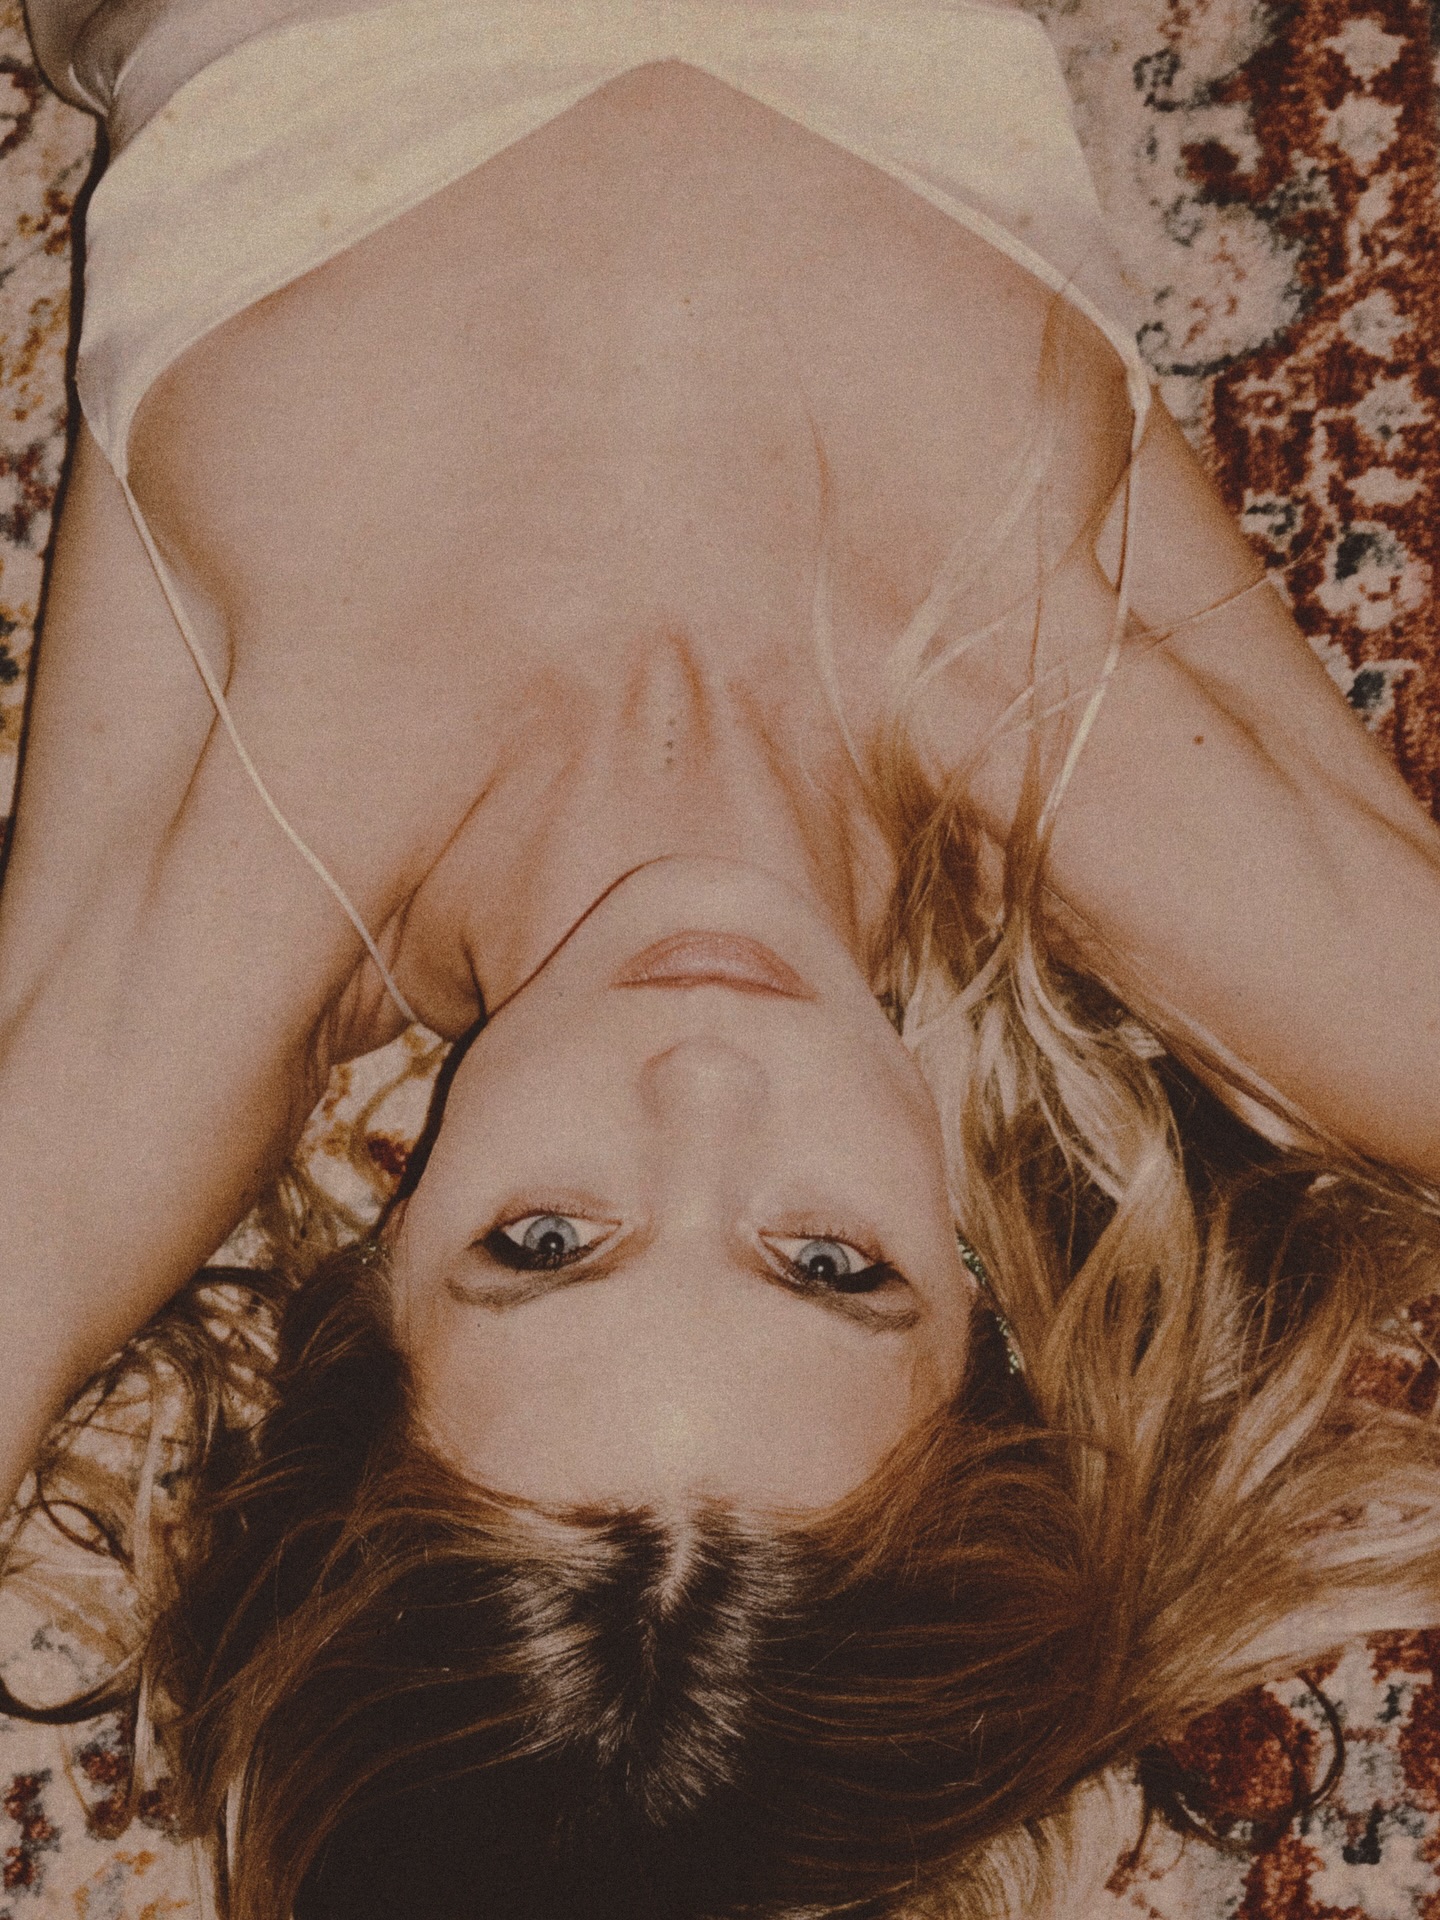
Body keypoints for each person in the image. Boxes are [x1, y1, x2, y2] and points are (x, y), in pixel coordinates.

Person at [3, 0, 1440, 1914]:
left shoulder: (267, 881)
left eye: (543, 1242)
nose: (701, 1077)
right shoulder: (1056, 745)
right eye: (829, 1264)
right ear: (980, 1320)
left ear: (373, 1297)